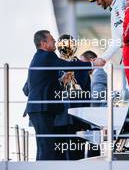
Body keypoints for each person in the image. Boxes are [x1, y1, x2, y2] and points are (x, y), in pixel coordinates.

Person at [24, 30, 105, 160]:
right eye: (52, 40)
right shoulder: (48, 57)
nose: (55, 42)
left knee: (45, 147)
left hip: (48, 111)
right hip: (44, 109)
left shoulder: (39, 57)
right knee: (48, 148)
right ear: (43, 43)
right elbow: (68, 66)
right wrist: (92, 64)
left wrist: (59, 81)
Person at [88, 0, 129, 100]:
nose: (97, 3)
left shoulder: (121, 2)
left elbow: (125, 33)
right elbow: (117, 40)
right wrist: (103, 58)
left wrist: (103, 59)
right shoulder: (115, 6)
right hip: (128, 51)